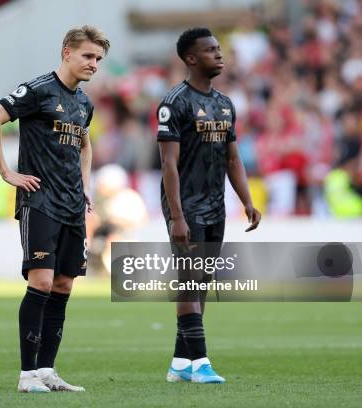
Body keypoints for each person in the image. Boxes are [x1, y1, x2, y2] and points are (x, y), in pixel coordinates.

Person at [0, 25, 110, 393]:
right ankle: (26, 375)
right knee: (41, 280)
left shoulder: (84, 103)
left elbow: (85, 146)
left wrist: (84, 185)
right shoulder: (37, 90)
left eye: (98, 59)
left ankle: (47, 370)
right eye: (87, 56)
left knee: (64, 284)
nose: (94, 64)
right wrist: (7, 172)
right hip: (40, 200)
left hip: (71, 204)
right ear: (66, 52)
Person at [157, 28, 261, 384]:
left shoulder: (225, 103)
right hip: (185, 205)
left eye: (219, 49)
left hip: (215, 206)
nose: (219, 55)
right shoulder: (175, 102)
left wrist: (247, 200)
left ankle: (179, 365)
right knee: (188, 281)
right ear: (190, 58)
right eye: (210, 50)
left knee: (201, 283)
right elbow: (169, 165)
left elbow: (233, 159)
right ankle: (200, 362)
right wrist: (177, 216)